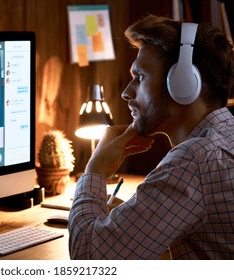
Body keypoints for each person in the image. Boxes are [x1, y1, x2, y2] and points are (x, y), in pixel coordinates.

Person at [69, 15, 234, 260]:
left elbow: (88, 257)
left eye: (141, 77)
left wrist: (95, 170)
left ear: (183, 84)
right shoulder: (224, 137)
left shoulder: (195, 159)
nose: (126, 92)